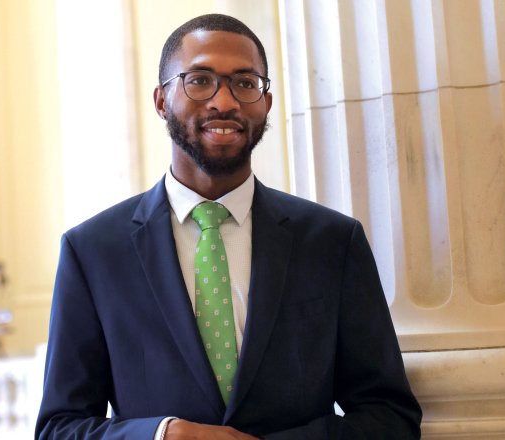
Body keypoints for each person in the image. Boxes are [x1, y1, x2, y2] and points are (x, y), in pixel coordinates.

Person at [36, 13, 421, 440]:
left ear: (266, 103)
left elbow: (390, 416)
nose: (225, 101)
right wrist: (165, 436)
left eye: (245, 82)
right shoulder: (93, 252)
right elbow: (58, 427)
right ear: (162, 100)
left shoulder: (333, 241)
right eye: (199, 80)